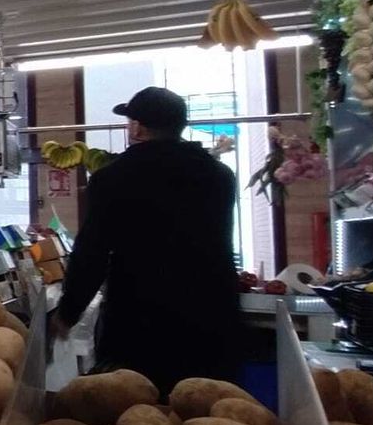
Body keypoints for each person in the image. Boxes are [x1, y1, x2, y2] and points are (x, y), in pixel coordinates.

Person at [51, 86, 245, 397]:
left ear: (138, 128)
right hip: (212, 323)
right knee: (206, 417)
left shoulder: (112, 178)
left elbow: (92, 253)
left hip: (140, 327)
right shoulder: (220, 176)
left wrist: (68, 313)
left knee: (137, 419)